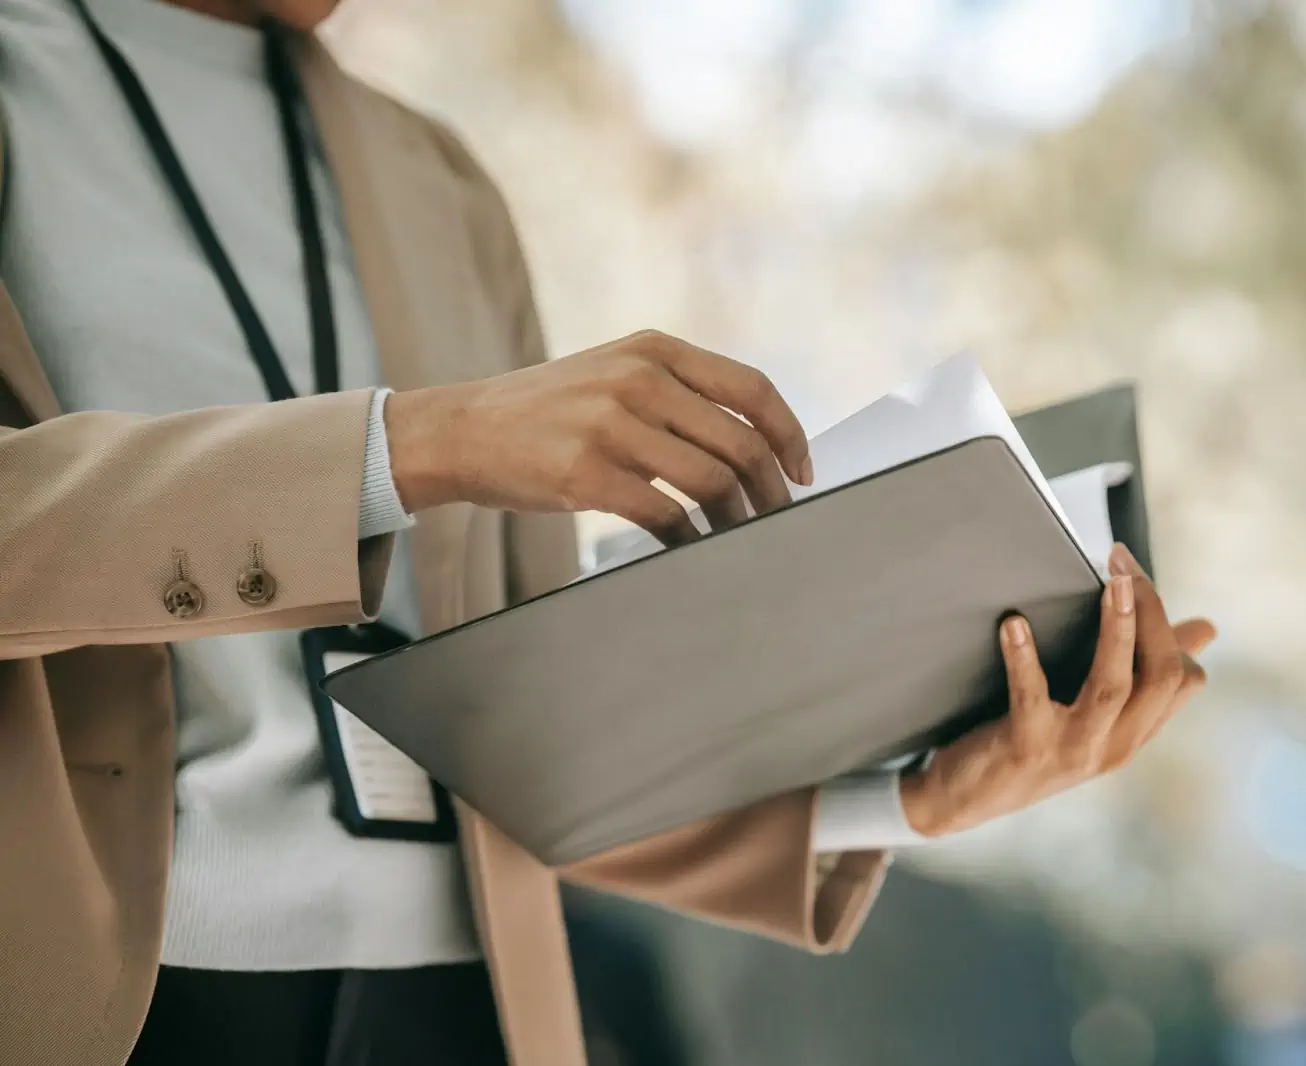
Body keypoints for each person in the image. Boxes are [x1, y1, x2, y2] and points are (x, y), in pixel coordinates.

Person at [0, 0, 1218, 1063]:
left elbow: (512, 714)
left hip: (477, 1009)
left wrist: (900, 800)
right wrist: (416, 444)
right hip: (101, 1010)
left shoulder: (438, 181)